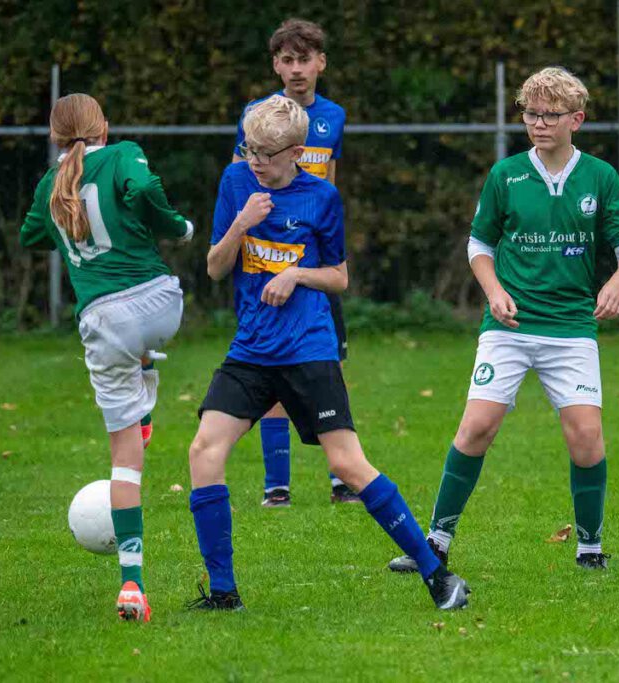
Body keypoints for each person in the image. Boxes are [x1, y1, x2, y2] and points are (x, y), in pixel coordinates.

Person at [187, 95, 470, 610]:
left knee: (349, 464)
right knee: (204, 450)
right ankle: (224, 593)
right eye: (250, 149)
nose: (255, 161)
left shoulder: (321, 198)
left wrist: (295, 274)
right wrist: (240, 224)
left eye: (266, 153)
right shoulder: (236, 183)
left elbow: (339, 278)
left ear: (296, 152)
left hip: (308, 350)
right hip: (251, 350)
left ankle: (438, 576)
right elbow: (213, 267)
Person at [389, 66, 619, 574]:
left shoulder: (600, 177)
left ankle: (590, 548)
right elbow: (479, 245)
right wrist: (495, 291)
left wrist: (617, 283)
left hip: (571, 328)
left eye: (550, 115)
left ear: (576, 119)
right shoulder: (505, 175)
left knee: (586, 436)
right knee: (476, 428)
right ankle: (435, 542)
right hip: (507, 328)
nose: (538, 123)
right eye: (530, 114)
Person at [19, 93, 193, 621]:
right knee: (141, 350)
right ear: (105, 128)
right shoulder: (123, 154)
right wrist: (179, 227)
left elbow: (30, 234)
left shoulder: (50, 185)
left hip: (104, 321)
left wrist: (69, 225)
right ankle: (145, 401)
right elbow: (144, 189)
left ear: (55, 137)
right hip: (160, 304)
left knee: (125, 462)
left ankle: (132, 586)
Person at [233, 18, 354, 507]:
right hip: (268, 261)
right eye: (287, 60)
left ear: (321, 62)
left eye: (305, 59)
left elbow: (329, 185)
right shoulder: (257, 116)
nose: (296, 69)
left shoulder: (333, 117)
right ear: (275, 66)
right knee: (273, 367)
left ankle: (342, 478)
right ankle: (276, 486)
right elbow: (241, 183)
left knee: (328, 365)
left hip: (314, 262)